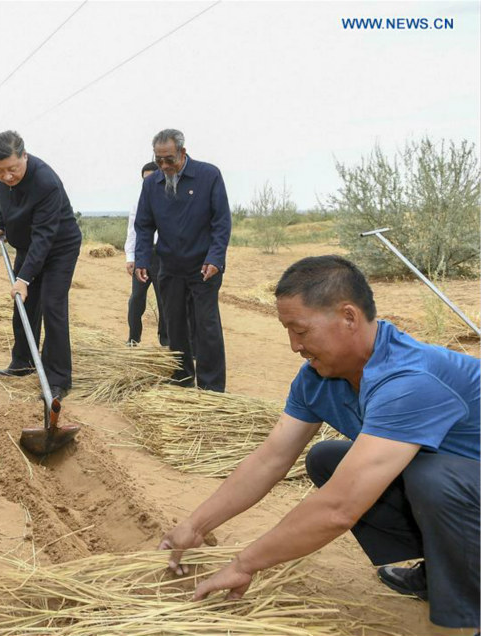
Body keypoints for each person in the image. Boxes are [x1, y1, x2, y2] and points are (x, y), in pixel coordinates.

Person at [158, 255, 480, 629]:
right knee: (327, 458)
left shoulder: (408, 381)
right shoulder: (318, 377)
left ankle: (464, 610)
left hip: (463, 485)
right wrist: (195, 525)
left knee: (433, 479)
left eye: (301, 330)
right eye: (287, 331)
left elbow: (340, 508)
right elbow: (270, 459)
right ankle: (439, 568)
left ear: (348, 317)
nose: (294, 345)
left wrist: (244, 564)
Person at [0, 131, 82, 402]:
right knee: (24, 305)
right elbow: (3, 200)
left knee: (52, 306)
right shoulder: (3, 172)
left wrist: (24, 279)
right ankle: (24, 361)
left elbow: (45, 237)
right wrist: (1, 224)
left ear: (24, 156)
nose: (6, 176)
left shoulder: (45, 182)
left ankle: (58, 379)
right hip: (30, 245)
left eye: (12, 169)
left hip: (59, 247)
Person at [134, 129, 231, 391]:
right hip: (169, 266)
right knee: (174, 324)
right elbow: (143, 226)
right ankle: (182, 377)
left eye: (169, 160)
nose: (164, 166)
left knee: (206, 326)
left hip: (204, 267)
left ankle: (212, 387)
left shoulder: (209, 175)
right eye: (159, 161)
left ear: (183, 153)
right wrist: (142, 259)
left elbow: (221, 222)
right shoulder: (151, 184)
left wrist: (215, 258)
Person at [124, 161, 167, 347]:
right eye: (144, 180)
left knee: (164, 300)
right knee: (136, 299)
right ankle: (133, 338)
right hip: (143, 255)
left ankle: (165, 340)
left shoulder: (170, 200)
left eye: (151, 179)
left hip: (163, 256)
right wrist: (130, 257)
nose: (147, 183)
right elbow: (132, 231)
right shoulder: (138, 203)